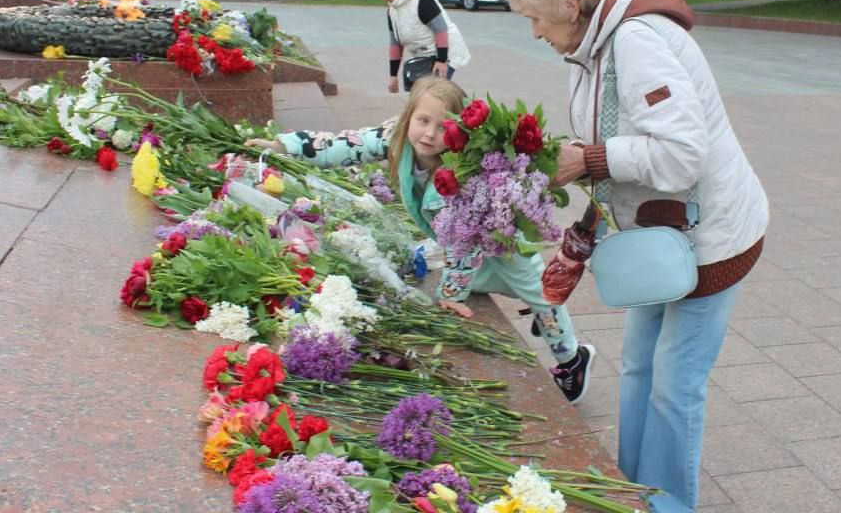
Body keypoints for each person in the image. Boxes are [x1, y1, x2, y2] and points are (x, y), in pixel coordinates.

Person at [504, 0, 769, 513]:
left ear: (570, 4)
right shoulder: (595, 44)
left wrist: (588, 160)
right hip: (658, 238)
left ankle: (667, 510)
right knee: (640, 365)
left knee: (675, 380)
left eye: (536, 18)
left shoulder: (636, 41)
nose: (535, 32)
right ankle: (632, 489)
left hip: (709, 239)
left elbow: (681, 155)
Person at [244, 77, 595, 403]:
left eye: (443, 127)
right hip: (464, 239)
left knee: (541, 293)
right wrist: (284, 146)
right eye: (423, 120)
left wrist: (451, 295)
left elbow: (466, 246)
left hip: (503, 241)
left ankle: (572, 359)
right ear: (408, 115)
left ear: (459, 131)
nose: (429, 134)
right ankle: (530, 310)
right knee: (479, 280)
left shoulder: (462, 176)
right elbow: (343, 145)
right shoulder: (396, 137)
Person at [376, 0, 471, 93]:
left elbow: (441, 30)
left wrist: (442, 61)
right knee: (422, 96)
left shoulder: (422, 1)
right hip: (424, 56)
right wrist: (393, 76)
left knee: (433, 95)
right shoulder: (393, 10)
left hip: (445, 54)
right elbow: (395, 44)